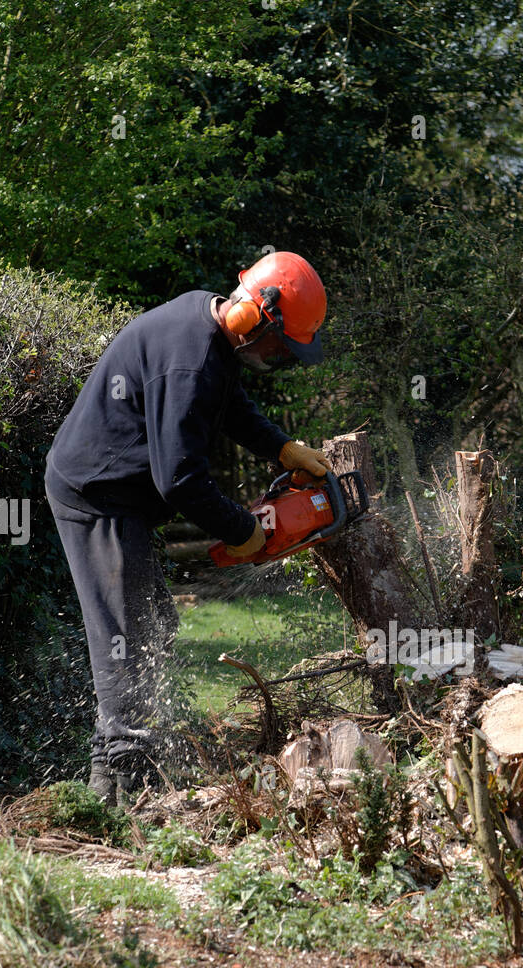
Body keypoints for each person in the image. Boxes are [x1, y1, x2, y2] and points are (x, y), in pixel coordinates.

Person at [45, 250, 331, 805]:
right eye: (281, 344)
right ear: (255, 316)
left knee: (155, 624)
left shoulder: (208, 328)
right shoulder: (192, 358)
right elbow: (179, 479)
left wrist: (280, 448)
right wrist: (240, 528)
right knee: (123, 638)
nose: (280, 356)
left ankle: (129, 769)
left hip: (119, 495)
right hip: (95, 496)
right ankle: (123, 792)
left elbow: (228, 405)